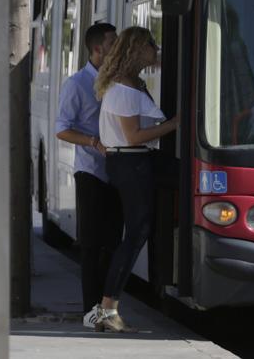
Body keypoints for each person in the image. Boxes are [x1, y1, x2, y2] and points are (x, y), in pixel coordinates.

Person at [91, 26, 179, 333]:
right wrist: (175, 125)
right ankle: (107, 308)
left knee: (186, 177)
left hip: (136, 161)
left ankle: (107, 308)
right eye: (151, 45)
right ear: (137, 50)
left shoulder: (131, 84)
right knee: (135, 235)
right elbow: (133, 137)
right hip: (132, 161)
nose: (156, 49)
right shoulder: (125, 91)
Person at [54, 22, 121, 328]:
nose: (116, 48)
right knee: (92, 246)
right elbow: (62, 129)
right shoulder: (76, 84)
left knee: (113, 245)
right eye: (112, 43)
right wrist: (93, 141)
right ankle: (91, 313)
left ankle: (107, 310)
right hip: (91, 172)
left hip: (117, 174)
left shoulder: (119, 84)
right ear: (97, 49)